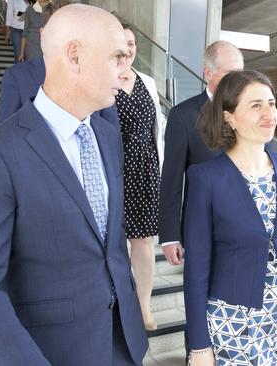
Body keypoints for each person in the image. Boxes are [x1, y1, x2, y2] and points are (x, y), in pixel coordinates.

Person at [0, 5, 148, 365]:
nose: (125, 71)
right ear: (74, 56)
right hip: (53, 353)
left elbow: (109, 245)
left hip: (123, 344)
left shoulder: (107, 134)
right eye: (117, 57)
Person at [184, 70, 277, 366]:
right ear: (229, 116)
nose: (269, 113)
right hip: (233, 321)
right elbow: (196, 269)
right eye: (255, 105)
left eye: (271, 103)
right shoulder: (206, 178)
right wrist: (199, 346)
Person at [158, 40, 244, 266]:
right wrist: (169, 235)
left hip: (247, 228)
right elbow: (171, 180)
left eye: (240, 73)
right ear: (208, 73)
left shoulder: (251, 111)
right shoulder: (183, 116)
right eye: (230, 73)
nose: (238, 80)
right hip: (204, 229)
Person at [115, 24, 165, 331]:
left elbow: (156, 129)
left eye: (132, 43)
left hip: (147, 168)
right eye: (122, 43)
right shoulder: (102, 77)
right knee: (113, 242)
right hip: (116, 167)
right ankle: (117, 303)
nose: (129, 49)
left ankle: (144, 306)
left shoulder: (147, 81)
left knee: (144, 241)